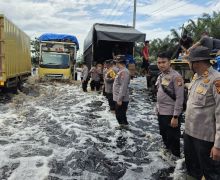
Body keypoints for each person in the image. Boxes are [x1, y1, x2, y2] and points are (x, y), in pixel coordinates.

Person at [184, 46, 220, 180]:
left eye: (189, 61)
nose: (188, 64)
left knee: (211, 174)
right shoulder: (196, 77)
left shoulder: (216, 80)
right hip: (189, 133)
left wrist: (218, 146)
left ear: (196, 62)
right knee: (192, 169)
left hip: (205, 139)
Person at [155, 51, 184, 157]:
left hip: (171, 114)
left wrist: (175, 116)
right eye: (159, 62)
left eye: (163, 62)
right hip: (161, 112)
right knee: (164, 135)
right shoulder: (160, 75)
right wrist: (156, 108)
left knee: (173, 138)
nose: (161, 64)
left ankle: (176, 161)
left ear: (169, 62)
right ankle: (168, 157)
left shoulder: (176, 77)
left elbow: (180, 98)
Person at [113, 55, 130, 129]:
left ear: (118, 62)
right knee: (119, 115)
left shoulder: (124, 72)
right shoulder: (121, 71)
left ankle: (125, 129)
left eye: (116, 62)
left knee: (120, 115)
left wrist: (120, 99)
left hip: (121, 99)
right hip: (118, 97)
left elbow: (123, 87)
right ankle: (123, 127)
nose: (116, 64)